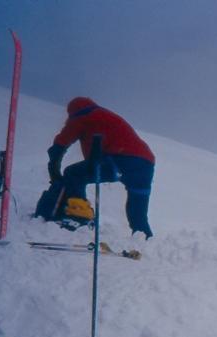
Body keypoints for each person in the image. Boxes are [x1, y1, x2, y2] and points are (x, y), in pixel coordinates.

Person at [41, 97, 156, 238]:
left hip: (121, 159)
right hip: (146, 164)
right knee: (137, 207)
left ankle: (79, 215)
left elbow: (61, 143)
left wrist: (54, 166)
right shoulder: (105, 115)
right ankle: (143, 239)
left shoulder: (82, 115)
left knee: (73, 173)